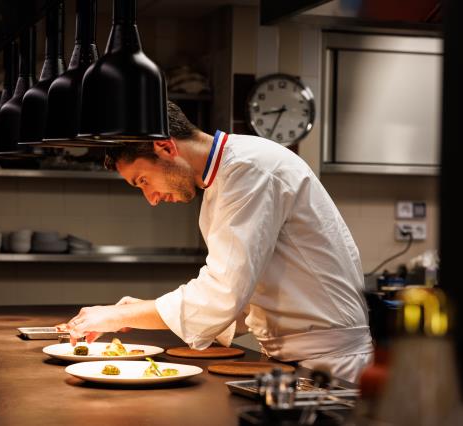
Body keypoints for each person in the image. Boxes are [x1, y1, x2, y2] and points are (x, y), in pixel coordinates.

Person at [64, 101, 373, 382]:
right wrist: (143, 312)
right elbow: (238, 297)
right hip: (293, 360)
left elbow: (223, 293)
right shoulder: (224, 180)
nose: (152, 199)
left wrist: (121, 315)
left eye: (143, 180)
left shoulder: (250, 170)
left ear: (165, 148)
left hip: (332, 363)